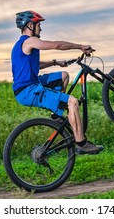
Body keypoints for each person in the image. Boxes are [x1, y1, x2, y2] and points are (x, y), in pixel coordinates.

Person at [11, 10, 104, 155]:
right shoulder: (29, 41)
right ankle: (81, 143)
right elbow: (56, 45)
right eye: (38, 25)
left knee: (64, 76)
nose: (40, 28)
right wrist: (80, 46)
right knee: (72, 102)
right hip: (29, 90)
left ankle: (56, 115)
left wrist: (55, 63)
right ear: (30, 25)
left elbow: (36, 65)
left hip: (29, 85)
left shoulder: (20, 46)